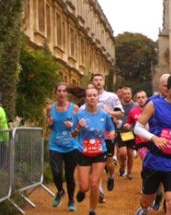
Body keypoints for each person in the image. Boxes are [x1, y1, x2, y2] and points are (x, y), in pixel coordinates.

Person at [133, 73, 171, 215]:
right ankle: (144, 208)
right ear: (168, 88)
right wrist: (154, 138)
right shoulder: (154, 104)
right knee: (147, 200)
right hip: (154, 161)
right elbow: (138, 128)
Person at [72, 86, 116, 215]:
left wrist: (112, 133)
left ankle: (92, 210)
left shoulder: (104, 114)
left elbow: (111, 128)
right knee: (85, 186)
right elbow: (73, 134)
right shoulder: (80, 114)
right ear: (85, 98)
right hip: (83, 152)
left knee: (94, 183)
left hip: (99, 151)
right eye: (89, 96)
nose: (92, 98)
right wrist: (79, 127)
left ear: (98, 98)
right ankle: (81, 191)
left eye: (94, 95)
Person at [81, 74, 124, 195]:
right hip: (92, 135)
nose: (98, 82)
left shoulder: (111, 96)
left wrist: (109, 112)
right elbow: (80, 112)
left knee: (109, 162)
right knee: (94, 162)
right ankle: (99, 190)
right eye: (96, 80)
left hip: (107, 130)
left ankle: (111, 176)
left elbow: (120, 114)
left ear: (104, 82)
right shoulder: (88, 99)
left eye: (100, 80)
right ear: (92, 82)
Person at [47, 83, 80, 211]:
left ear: (67, 94)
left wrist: (72, 125)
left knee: (69, 175)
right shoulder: (50, 108)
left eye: (63, 91)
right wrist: (49, 124)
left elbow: (80, 128)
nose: (61, 93)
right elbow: (49, 126)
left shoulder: (75, 108)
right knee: (56, 173)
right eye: (59, 91)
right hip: (55, 145)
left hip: (72, 146)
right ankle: (60, 191)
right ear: (56, 93)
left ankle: (71, 201)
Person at [117, 86, 139, 179]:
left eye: (128, 94)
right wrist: (116, 121)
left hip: (131, 132)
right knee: (122, 153)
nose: (126, 96)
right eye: (124, 94)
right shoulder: (118, 106)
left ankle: (129, 172)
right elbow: (113, 116)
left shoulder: (135, 106)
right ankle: (122, 164)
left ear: (131, 94)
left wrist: (132, 124)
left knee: (130, 153)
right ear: (121, 95)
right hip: (121, 132)